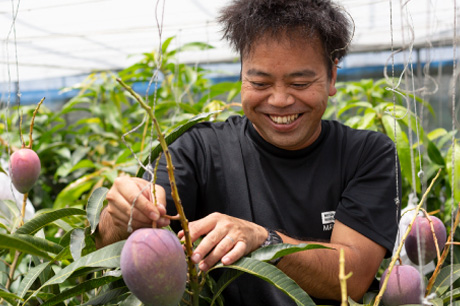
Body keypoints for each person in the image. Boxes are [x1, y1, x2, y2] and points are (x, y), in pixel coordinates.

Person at [96, 0, 401, 304]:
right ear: (241, 75)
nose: (280, 100)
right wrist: (122, 215)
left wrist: (263, 241)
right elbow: (108, 246)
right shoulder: (197, 150)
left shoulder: (367, 154)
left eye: (300, 82)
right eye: (260, 82)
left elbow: (354, 278)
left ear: (332, 76)